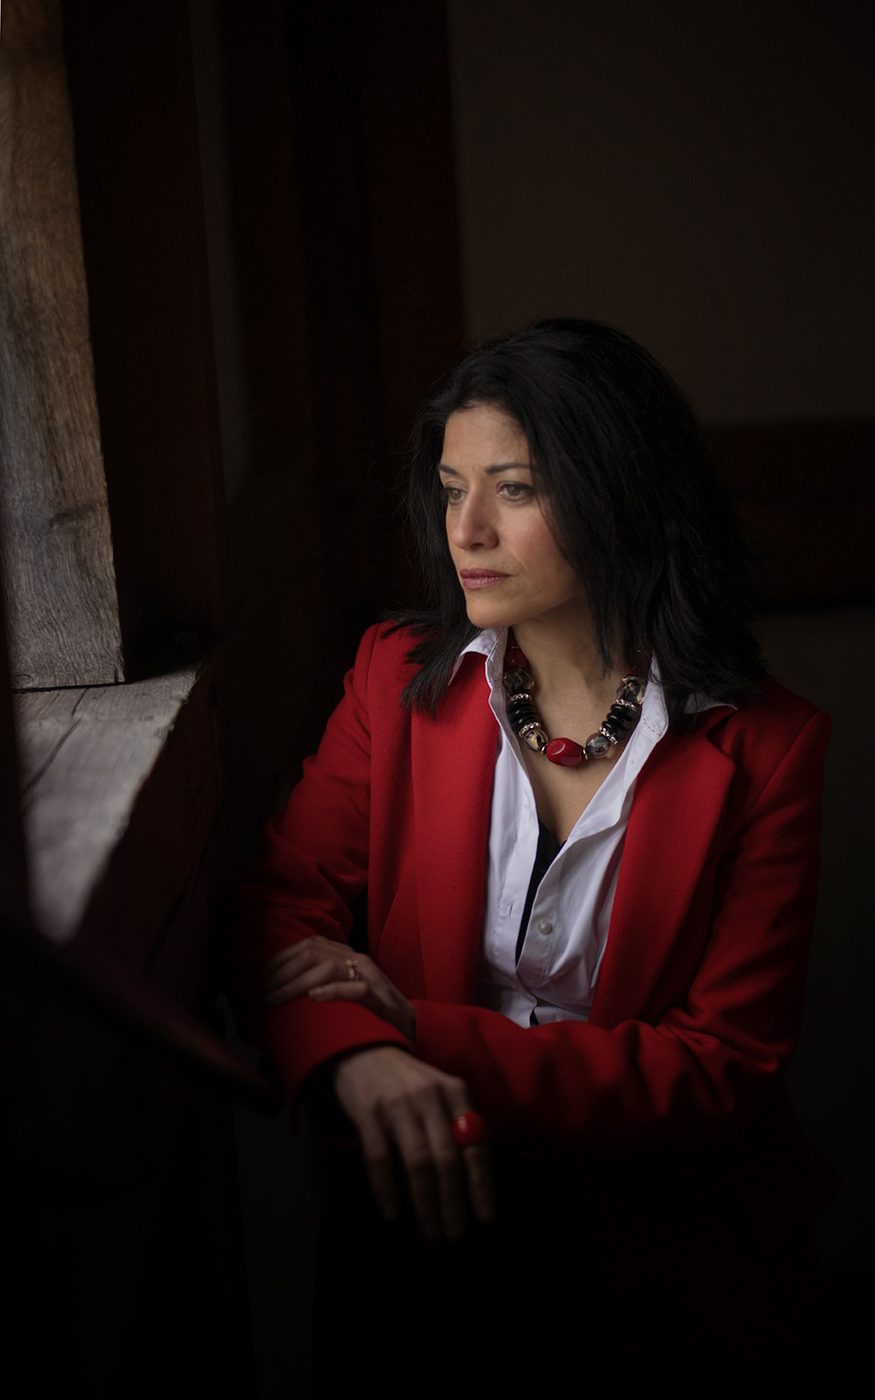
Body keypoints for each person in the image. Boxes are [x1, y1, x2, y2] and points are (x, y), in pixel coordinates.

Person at [232, 319, 835, 1397]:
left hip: (654, 1243)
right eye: (450, 483)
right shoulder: (393, 679)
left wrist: (417, 1027)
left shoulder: (766, 748)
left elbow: (717, 1063)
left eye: (511, 488)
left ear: (618, 493)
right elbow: (282, 912)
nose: (464, 527)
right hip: (413, 1203)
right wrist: (357, 1054)